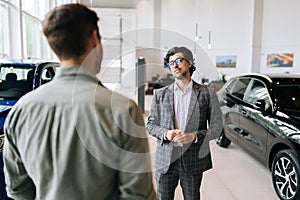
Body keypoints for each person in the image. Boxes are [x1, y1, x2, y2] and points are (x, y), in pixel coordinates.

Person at [3, 3, 156, 200]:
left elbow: (18, 190)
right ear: (94, 38)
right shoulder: (122, 110)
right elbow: (138, 195)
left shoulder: (20, 112)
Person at [147, 46, 223, 199]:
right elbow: (151, 125)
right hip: (166, 160)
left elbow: (217, 127)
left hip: (193, 160)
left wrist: (193, 136)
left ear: (189, 63)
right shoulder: (160, 95)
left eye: (178, 60)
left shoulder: (206, 94)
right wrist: (166, 133)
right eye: (171, 63)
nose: (174, 65)